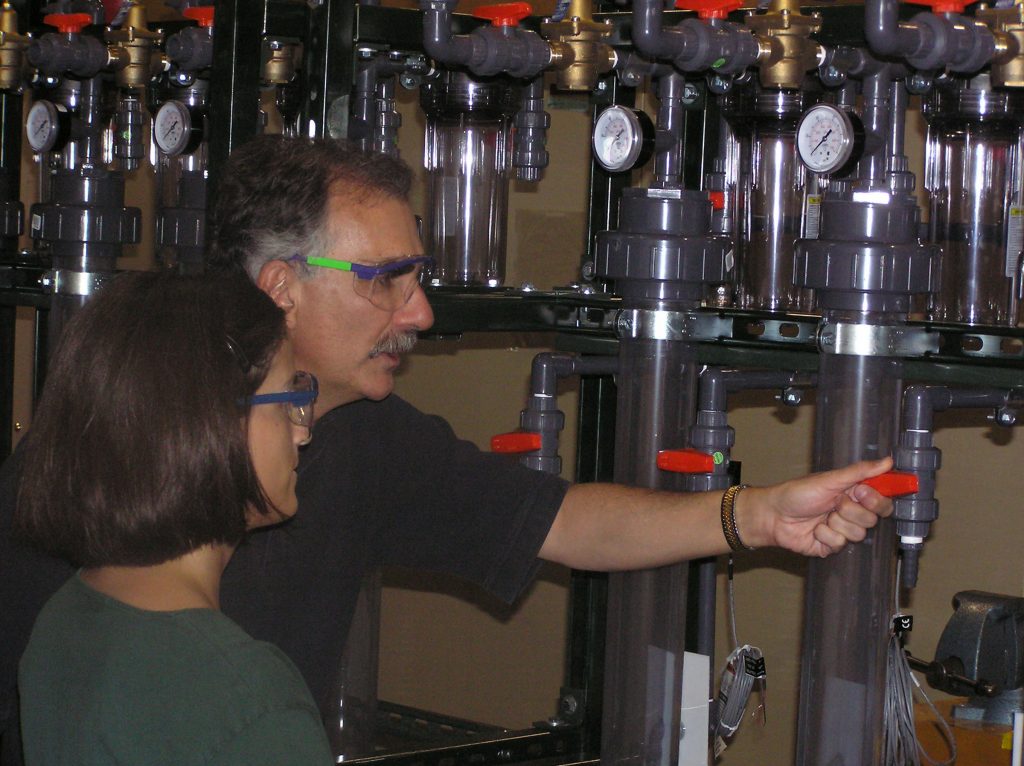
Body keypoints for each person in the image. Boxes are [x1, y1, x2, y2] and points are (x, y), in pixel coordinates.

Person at [0, 136, 893, 762]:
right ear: (282, 289)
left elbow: (561, 520)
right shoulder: (98, 471)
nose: (420, 313)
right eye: (389, 280)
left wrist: (757, 516)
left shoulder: (366, 434)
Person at [13, 271, 330, 765]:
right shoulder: (248, 700)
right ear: (213, 422)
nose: (302, 433)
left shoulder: (66, 618)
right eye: (289, 399)